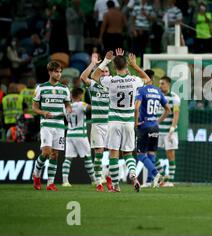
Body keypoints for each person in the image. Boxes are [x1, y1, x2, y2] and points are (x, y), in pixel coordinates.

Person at [91, 49, 151, 192]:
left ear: (113, 68)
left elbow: (94, 76)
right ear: (127, 66)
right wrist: (135, 66)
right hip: (129, 121)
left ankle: (116, 186)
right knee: (128, 153)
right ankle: (132, 173)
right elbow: (148, 80)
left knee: (113, 153)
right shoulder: (134, 80)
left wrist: (106, 60)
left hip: (114, 121)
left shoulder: (110, 80)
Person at [32, 61, 72, 191]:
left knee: (55, 154)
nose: (59, 74)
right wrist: (43, 112)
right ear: (50, 72)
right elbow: (34, 108)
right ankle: (36, 175)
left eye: (60, 72)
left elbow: (67, 105)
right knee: (46, 152)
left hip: (59, 125)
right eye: (56, 72)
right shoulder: (41, 88)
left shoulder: (65, 89)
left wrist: (69, 109)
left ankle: (50, 183)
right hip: (46, 124)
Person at [80, 53, 113, 192]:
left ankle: (110, 178)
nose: (104, 74)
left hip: (111, 124)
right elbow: (83, 78)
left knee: (113, 154)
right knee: (99, 153)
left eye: (107, 71)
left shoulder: (114, 86)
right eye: (102, 71)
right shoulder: (94, 85)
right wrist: (93, 64)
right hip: (98, 124)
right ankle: (99, 181)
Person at [135, 70, 171, 188]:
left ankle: (156, 174)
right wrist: (157, 121)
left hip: (144, 126)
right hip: (155, 127)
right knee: (151, 154)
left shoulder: (141, 90)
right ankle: (150, 181)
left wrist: (136, 123)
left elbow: (136, 108)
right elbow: (168, 110)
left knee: (140, 155)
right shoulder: (158, 91)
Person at [62, 88, 96, 187]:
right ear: (80, 95)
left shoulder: (66, 107)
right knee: (87, 157)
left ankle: (65, 181)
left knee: (67, 159)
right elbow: (92, 108)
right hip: (80, 135)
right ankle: (94, 180)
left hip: (69, 135)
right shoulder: (82, 104)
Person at [154, 76, 181, 187]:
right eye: (160, 83)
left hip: (169, 131)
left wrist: (172, 128)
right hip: (157, 130)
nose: (160, 85)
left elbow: (176, 114)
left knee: (170, 155)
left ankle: (170, 180)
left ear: (168, 84)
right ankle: (163, 176)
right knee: (152, 153)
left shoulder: (174, 97)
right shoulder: (156, 96)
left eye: (163, 83)